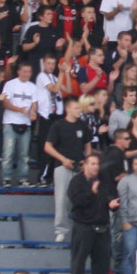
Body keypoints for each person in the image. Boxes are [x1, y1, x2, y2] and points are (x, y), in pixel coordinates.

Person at [67, 151, 118, 274]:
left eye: (98, 164)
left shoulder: (104, 181)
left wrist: (112, 204)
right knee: (79, 258)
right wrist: (91, 192)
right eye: (93, 164)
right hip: (83, 225)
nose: (96, 167)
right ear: (85, 165)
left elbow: (110, 197)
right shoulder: (76, 181)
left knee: (102, 259)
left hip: (102, 225)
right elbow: (76, 201)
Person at [44, 96, 90, 242]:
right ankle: (61, 230)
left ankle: (82, 228)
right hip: (62, 167)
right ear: (68, 109)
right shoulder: (58, 125)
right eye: (76, 108)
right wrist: (63, 159)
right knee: (62, 200)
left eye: (80, 108)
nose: (79, 110)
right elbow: (47, 146)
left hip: (80, 168)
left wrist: (86, 162)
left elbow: (88, 146)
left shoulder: (82, 125)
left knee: (83, 199)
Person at [0, 61, 38, 187]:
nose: (27, 74)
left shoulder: (32, 86)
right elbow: (5, 102)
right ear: (18, 72)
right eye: (25, 71)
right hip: (10, 122)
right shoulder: (10, 84)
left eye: (29, 72)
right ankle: (6, 178)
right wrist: (19, 109)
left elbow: (34, 103)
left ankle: (23, 178)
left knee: (24, 154)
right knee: (8, 153)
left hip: (25, 123)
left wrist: (33, 112)